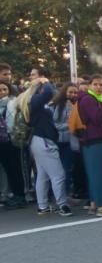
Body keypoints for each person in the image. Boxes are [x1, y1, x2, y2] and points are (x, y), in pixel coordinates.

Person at [19, 77, 72, 216]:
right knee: (58, 174)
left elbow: (51, 93)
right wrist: (44, 81)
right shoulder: (35, 100)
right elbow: (49, 91)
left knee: (43, 175)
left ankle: (42, 206)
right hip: (43, 140)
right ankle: (62, 205)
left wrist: (44, 84)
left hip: (39, 140)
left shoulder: (34, 101)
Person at [78, 74, 102, 216]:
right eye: (96, 84)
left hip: (92, 140)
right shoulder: (89, 99)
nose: (99, 87)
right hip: (94, 140)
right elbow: (97, 119)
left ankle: (94, 204)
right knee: (100, 174)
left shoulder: (92, 99)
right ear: (90, 85)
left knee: (94, 174)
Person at [0, 79, 27, 209]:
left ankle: (20, 196)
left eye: (4, 89)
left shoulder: (13, 103)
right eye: (0, 90)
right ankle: (14, 195)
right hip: (1, 142)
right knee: (8, 170)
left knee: (16, 169)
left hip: (12, 140)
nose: (2, 92)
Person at [50, 82, 78, 197]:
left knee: (66, 169)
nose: (73, 94)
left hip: (69, 141)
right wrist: (70, 125)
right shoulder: (58, 104)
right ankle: (63, 195)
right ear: (64, 92)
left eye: (75, 92)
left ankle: (64, 194)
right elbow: (54, 123)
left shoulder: (76, 104)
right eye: (70, 92)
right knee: (63, 169)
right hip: (60, 141)